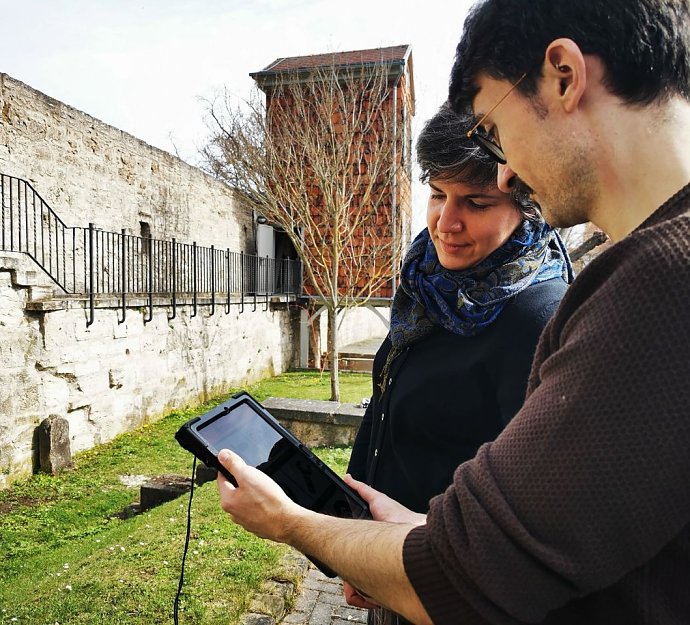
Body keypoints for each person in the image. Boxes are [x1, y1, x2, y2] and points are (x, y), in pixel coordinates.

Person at [217, 1, 690, 623]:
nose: (507, 167)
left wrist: (292, 523)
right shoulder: (643, 269)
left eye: (495, 124)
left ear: (564, 76)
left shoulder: (659, 281)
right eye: (438, 194)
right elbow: (542, 531)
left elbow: (471, 576)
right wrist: (397, 534)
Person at [345, 103, 570, 625]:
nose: (447, 222)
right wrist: (355, 539)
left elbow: (531, 511)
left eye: (476, 201)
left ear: (525, 207)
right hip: (385, 559)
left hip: (449, 588)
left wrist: (411, 562)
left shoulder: (538, 318)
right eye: (438, 194)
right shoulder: (426, 284)